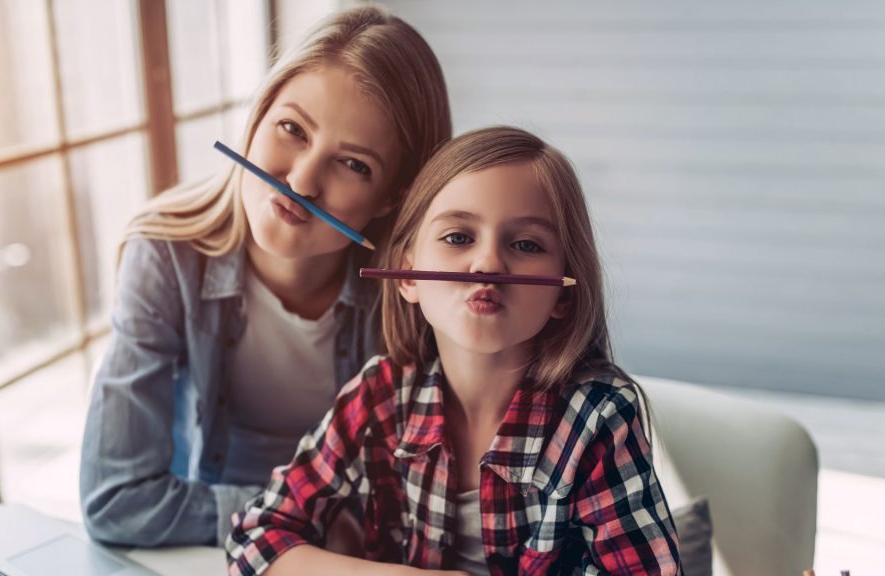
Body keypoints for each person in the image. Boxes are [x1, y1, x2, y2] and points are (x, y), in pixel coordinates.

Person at [227, 127, 682, 575]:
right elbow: (256, 537)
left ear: (563, 293)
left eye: (526, 245)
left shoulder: (597, 418)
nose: (487, 264)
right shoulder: (381, 395)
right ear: (406, 275)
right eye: (458, 238)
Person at [79, 6, 451, 547]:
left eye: (354, 164)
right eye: (292, 128)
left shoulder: (412, 294)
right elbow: (115, 501)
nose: (301, 181)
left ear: (394, 194)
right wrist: (300, 518)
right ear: (256, 120)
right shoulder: (166, 256)